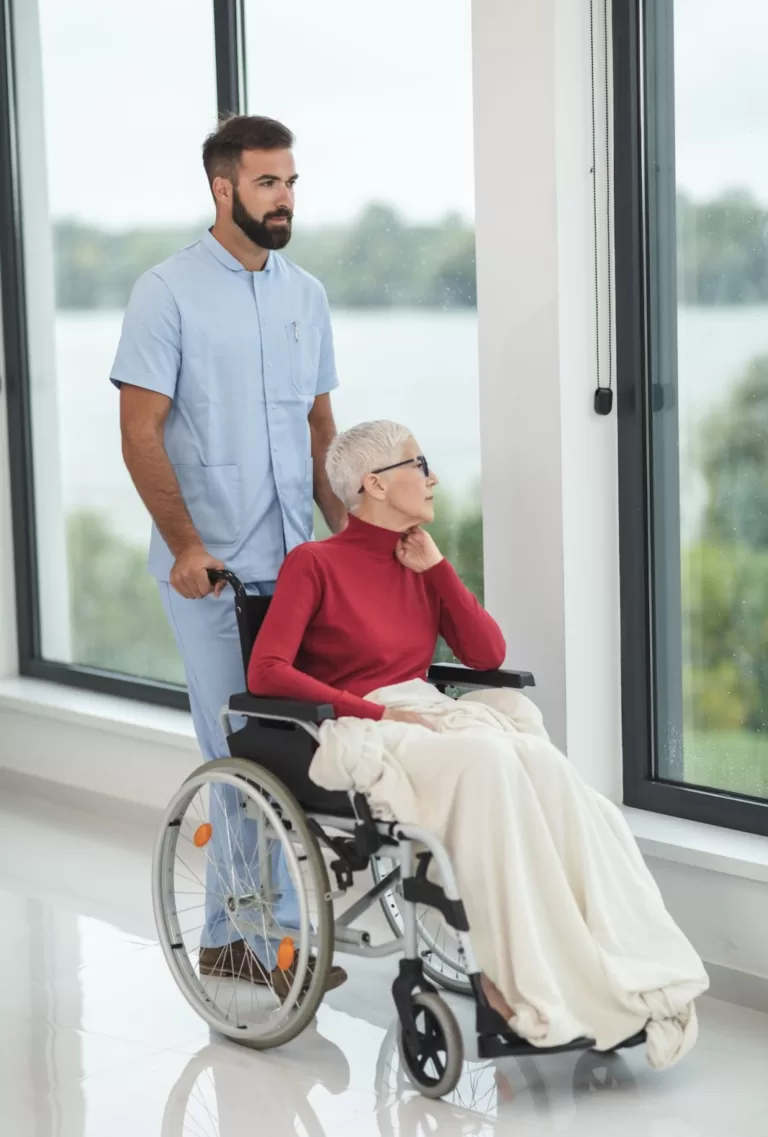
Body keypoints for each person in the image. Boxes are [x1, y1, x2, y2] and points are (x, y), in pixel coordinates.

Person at [248, 420, 709, 1063]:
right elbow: (265, 670)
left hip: (427, 712)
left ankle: (601, 968)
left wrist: (437, 571)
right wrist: (375, 715)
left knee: (544, 767)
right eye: (420, 462)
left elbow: (488, 652)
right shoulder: (314, 563)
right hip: (365, 720)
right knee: (490, 758)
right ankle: (507, 981)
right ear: (372, 484)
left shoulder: (417, 559)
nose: (432, 476)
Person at [111, 114, 348, 993]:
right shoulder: (165, 293)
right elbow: (140, 434)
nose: (285, 198)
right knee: (240, 755)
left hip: (298, 570)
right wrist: (183, 545)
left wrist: (350, 538)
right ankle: (249, 942)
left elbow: (320, 428)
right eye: (267, 184)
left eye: (290, 182)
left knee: (292, 756)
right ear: (223, 188)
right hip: (212, 573)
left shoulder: (306, 295)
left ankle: (271, 935)